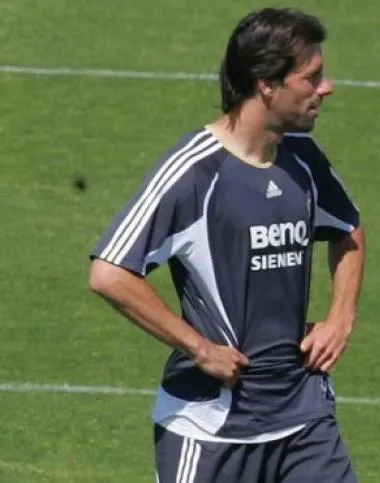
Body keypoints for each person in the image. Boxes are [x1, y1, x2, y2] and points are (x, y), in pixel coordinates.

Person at [88, 7, 364, 482]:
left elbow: (348, 229)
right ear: (266, 84)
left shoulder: (302, 157)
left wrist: (341, 316)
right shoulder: (194, 174)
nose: (327, 88)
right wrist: (199, 347)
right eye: (312, 77)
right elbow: (110, 273)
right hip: (212, 431)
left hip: (304, 419)